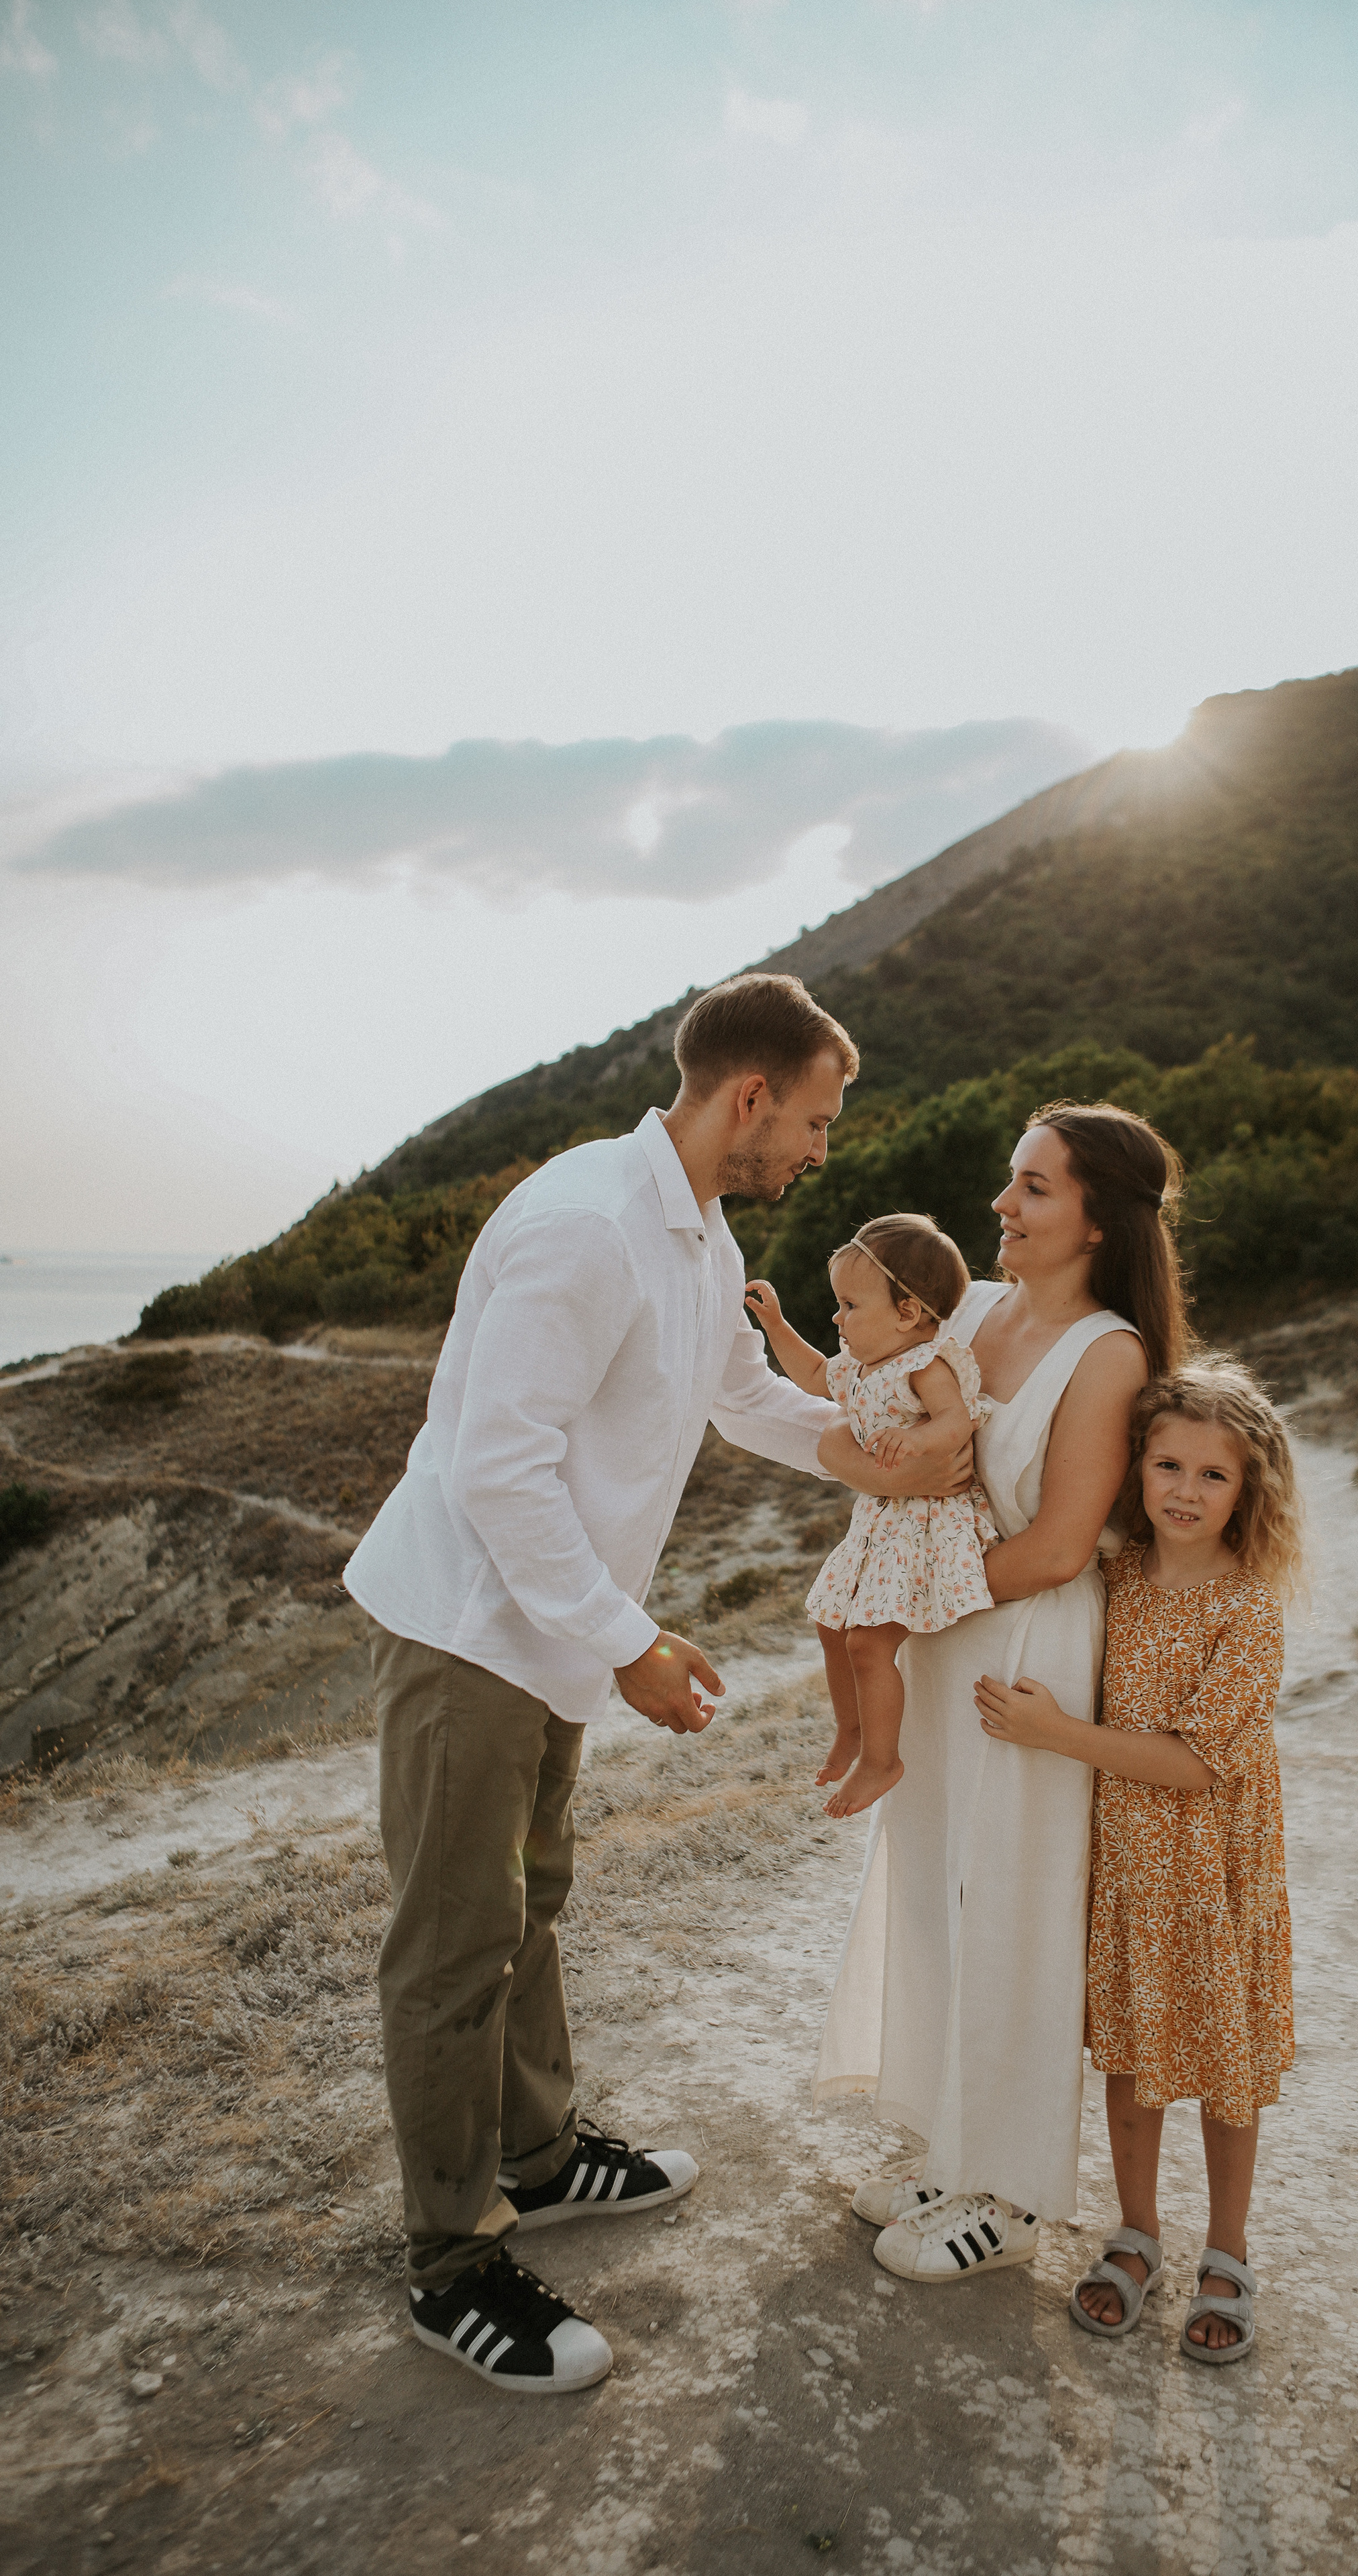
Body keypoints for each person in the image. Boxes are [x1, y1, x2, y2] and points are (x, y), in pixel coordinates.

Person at [344, 973, 968, 2395]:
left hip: (548, 1628)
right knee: (451, 1949)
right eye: (811, 1120)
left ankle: (543, 2155)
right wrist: (626, 1640)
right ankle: (451, 2263)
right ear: (747, 1095)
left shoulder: (693, 1230)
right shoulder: (588, 1226)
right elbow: (499, 1466)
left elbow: (736, 1392)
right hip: (470, 1632)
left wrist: (874, 1459)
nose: (819, 1152)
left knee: (531, 1904)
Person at [815, 1099, 1188, 2286]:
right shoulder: (971, 1309)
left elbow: (1060, 1545)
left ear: (1095, 1220)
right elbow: (883, 1433)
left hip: (1022, 1646)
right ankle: (944, 2139)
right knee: (931, 1886)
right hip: (937, 1637)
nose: (1002, 1205)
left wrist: (903, 1587)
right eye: (1010, 1181)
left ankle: (1014, 2191)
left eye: (1033, 1188)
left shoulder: (1110, 1351)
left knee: (1016, 1906)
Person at [975, 1357, 1302, 2363]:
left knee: (1222, 2063)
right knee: (1131, 2054)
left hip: (1211, 1875)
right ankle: (1139, 2231)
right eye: (1168, 1464)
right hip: (1125, 1871)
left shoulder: (1247, 1609)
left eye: (1214, 1476)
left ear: (1248, 1492)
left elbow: (1197, 1767)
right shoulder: (1114, 1575)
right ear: (1138, 1467)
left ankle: (1229, 2249)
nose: (1185, 1492)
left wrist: (1056, 1733)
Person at [745, 1215, 998, 1820]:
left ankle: (885, 1758)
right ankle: (852, 1729)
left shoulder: (925, 1365)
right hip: (881, 1524)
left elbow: (957, 1420)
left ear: (907, 1313)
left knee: (867, 1643)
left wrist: (918, 1445)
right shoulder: (857, 1369)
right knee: (830, 1622)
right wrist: (776, 1324)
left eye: (850, 1304)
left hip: (926, 1526)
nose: (838, 1318)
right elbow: (808, 1375)